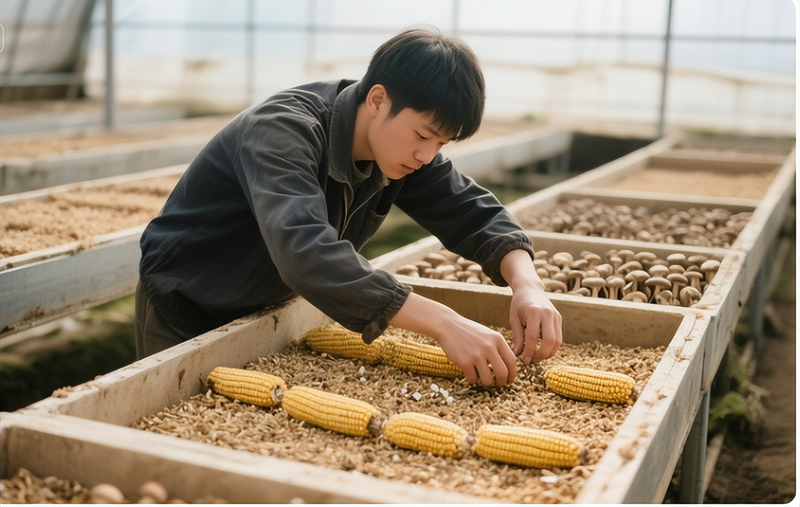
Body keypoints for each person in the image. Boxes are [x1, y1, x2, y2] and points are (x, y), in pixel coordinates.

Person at [135, 28, 562, 387]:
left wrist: (527, 285)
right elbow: (307, 252)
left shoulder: (401, 152)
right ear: (377, 100)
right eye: (423, 135)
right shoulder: (283, 131)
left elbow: (472, 211)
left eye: (441, 143)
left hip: (261, 303)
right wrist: (444, 322)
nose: (427, 155)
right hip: (189, 302)